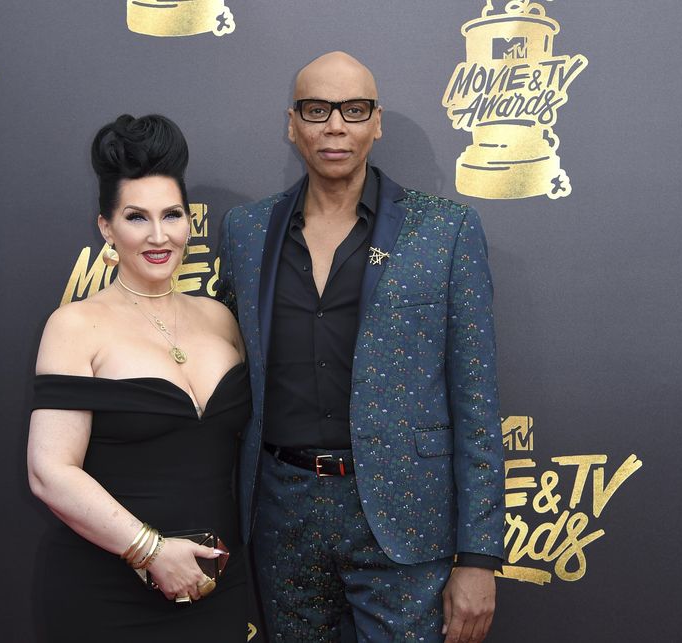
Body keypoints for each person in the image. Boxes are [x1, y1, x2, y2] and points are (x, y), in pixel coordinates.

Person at [216, 52, 505, 642]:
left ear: (378, 122)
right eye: (317, 109)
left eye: (354, 109)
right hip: (280, 510)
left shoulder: (445, 230)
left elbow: (477, 404)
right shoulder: (246, 232)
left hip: (404, 515)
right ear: (292, 123)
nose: (335, 126)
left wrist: (478, 555)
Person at [27, 113, 249, 642]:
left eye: (171, 215)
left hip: (217, 586)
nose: (158, 235)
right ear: (106, 227)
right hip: (107, 590)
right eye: (136, 217)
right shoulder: (75, 325)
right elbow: (49, 471)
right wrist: (150, 550)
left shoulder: (221, 318)